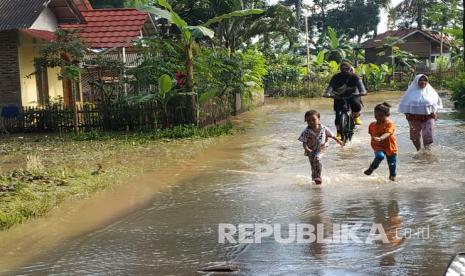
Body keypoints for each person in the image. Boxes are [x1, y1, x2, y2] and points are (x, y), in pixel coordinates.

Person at [398, 74, 442, 151]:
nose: (423, 82)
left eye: (425, 80)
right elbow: (404, 104)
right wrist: (407, 114)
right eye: (420, 80)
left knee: (428, 135)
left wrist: (435, 112)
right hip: (413, 117)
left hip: (428, 117)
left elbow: (436, 103)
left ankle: (427, 151)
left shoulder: (431, 92)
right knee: (415, 136)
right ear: (416, 81)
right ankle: (418, 150)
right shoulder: (410, 92)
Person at [323, 62, 367, 139]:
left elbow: (361, 86)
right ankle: (339, 132)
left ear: (350, 69)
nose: (345, 70)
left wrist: (363, 92)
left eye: (347, 69)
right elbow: (331, 86)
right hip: (339, 96)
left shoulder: (355, 77)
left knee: (356, 104)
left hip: (353, 94)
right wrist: (327, 93)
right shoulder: (336, 77)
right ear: (340, 69)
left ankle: (356, 116)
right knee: (337, 114)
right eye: (343, 69)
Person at [298, 110, 344, 184]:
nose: (311, 122)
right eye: (308, 120)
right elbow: (304, 142)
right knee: (313, 166)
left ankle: (318, 177)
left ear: (319, 119)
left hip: (322, 148)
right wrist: (306, 148)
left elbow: (332, 136)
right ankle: (314, 180)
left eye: (313, 120)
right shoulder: (306, 131)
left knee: (317, 158)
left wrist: (339, 141)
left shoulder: (324, 128)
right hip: (310, 150)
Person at [364, 102, 397, 181]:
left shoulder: (390, 124)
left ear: (387, 115)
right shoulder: (372, 125)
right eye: (376, 115)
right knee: (380, 156)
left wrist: (381, 138)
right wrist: (376, 140)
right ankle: (372, 168)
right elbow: (371, 135)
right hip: (378, 146)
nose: (378, 117)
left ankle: (392, 181)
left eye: (380, 116)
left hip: (390, 146)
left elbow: (388, 133)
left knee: (392, 167)